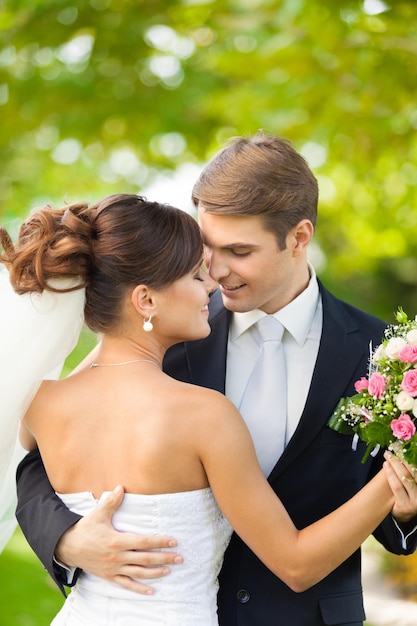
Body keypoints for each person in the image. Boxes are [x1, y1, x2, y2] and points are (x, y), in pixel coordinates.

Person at [15, 135, 417, 625]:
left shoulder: (385, 354)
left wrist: (403, 507)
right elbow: (37, 458)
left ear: (299, 237)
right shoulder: (168, 326)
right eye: (207, 249)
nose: (217, 273)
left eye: (239, 251)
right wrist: (66, 538)